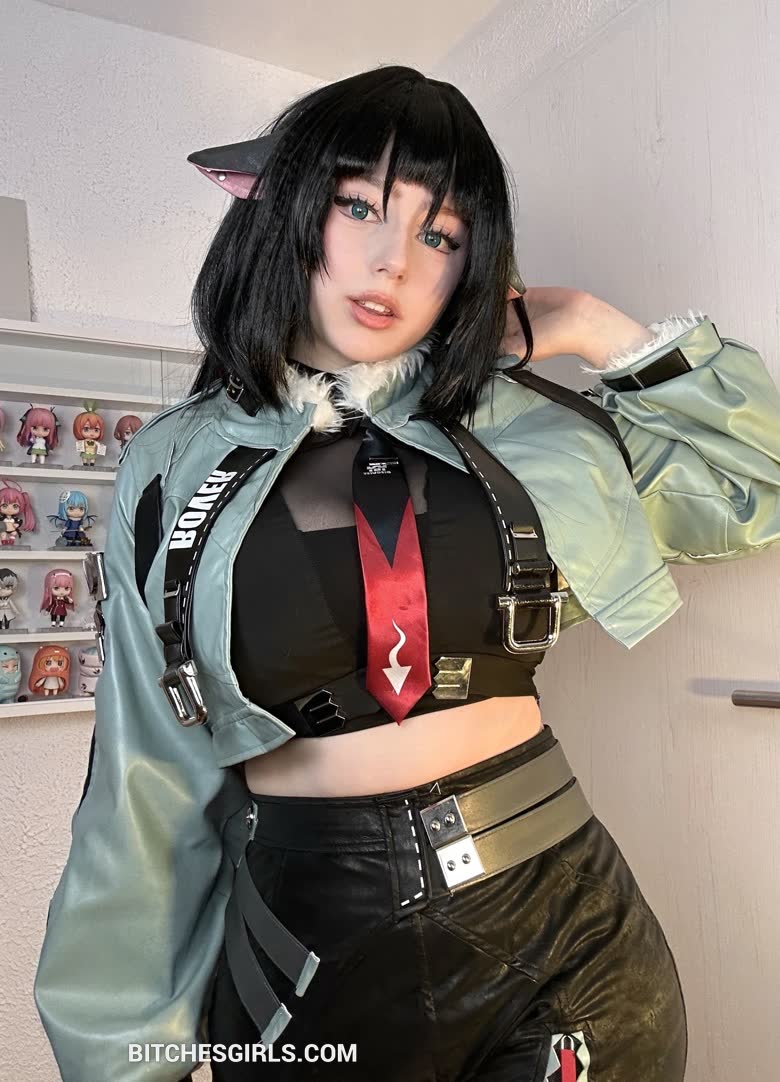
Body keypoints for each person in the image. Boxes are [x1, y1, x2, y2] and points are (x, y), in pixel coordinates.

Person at [34, 65, 780, 1082]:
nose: (394, 262)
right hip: (309, 955)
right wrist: (124, 1053)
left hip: (566, 935)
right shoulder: (174, 461)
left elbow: (756, 479)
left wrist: (588, 324)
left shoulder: (529, 426)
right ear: (286, 209)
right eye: (358, 207)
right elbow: (145, 777)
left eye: (442, 233)